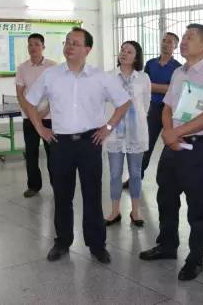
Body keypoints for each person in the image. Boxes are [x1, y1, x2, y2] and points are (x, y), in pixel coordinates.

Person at [24, 27, 131, 265]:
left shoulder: (99, 76)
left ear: (87, 49)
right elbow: (30, 102)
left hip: (90, 142)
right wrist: (40, 128)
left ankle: (97, 244)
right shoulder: (51, 75)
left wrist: (109, 127)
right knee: (62, 195)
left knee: (92, 195)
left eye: (75, 43)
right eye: (67, 42)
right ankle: (62, 241)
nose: (69, 46)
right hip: (60, 143)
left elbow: (124, 102)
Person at [139, 24, 203, 282]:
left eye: (190, 37)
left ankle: (195, 259)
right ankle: (167, 245)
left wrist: (176, 133)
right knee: (166, 199)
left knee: (197, 206)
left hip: (196, 149)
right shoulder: (178, 72)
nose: (184, 41)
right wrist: (169, 132)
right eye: (185, 37)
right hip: (172, 147)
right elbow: (167, 106)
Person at [124, 32, 181, 188]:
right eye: (164, 40)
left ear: (175, 46)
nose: (165, 44)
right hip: (153, 109)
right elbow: (144, 86)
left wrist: (154, 86)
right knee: (146, 145)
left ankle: (172, 181)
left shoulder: (178, 67)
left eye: (170, 42)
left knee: (172, 144)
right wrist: (164, 88)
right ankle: (135, 178)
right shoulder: (150, 64)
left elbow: (175, 90)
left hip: (170, 110)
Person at [104, 41, 151, 227]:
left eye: (129, 51)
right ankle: (115, 211)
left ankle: (135, 211)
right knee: (115, 174)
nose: (124, 53)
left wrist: (134, 121)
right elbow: (104, 103)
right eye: (122, 50)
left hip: (136, 134)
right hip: (114, 134)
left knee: (135, 174)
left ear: (136, 56)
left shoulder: (143, 78)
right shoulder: (109, 77)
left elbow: (145, 105)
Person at [15, 33, 57, 198]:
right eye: (30, 44)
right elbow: (20, 94)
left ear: (43, 47)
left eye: (36, 44)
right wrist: (30, 113)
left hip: (49, 118)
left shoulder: (52, 66)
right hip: (29, 118)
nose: (33, 47)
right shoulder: (22, 68)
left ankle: (57, 186)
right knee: (31, 153)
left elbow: (56, 94)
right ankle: (33, 186)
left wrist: (42, 113)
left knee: (53, 154)